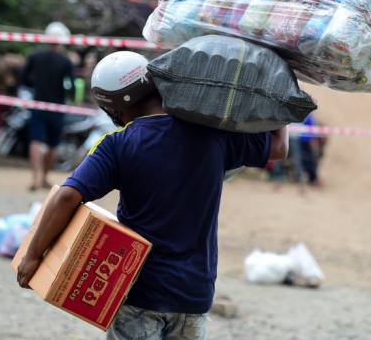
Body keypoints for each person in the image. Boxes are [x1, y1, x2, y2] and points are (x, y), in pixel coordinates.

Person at [16, 51, 288, 340]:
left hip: (140, 294)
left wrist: (33, 256)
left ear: (114, 108)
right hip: (195, 295)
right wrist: (275, 88)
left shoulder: (118, 144)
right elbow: (279, 148)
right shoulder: (212, 134)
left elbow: (67, 197)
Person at [21, 22, 75, 191]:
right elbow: (71, 86)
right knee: (53, 143)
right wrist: (71, 98)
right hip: (57, 107)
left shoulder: (35, 56)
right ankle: (44, 178)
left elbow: (23, 76)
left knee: (35, 141)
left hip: (38, 104)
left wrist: (35, 85)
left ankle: (35, 178)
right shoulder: (66, 61)